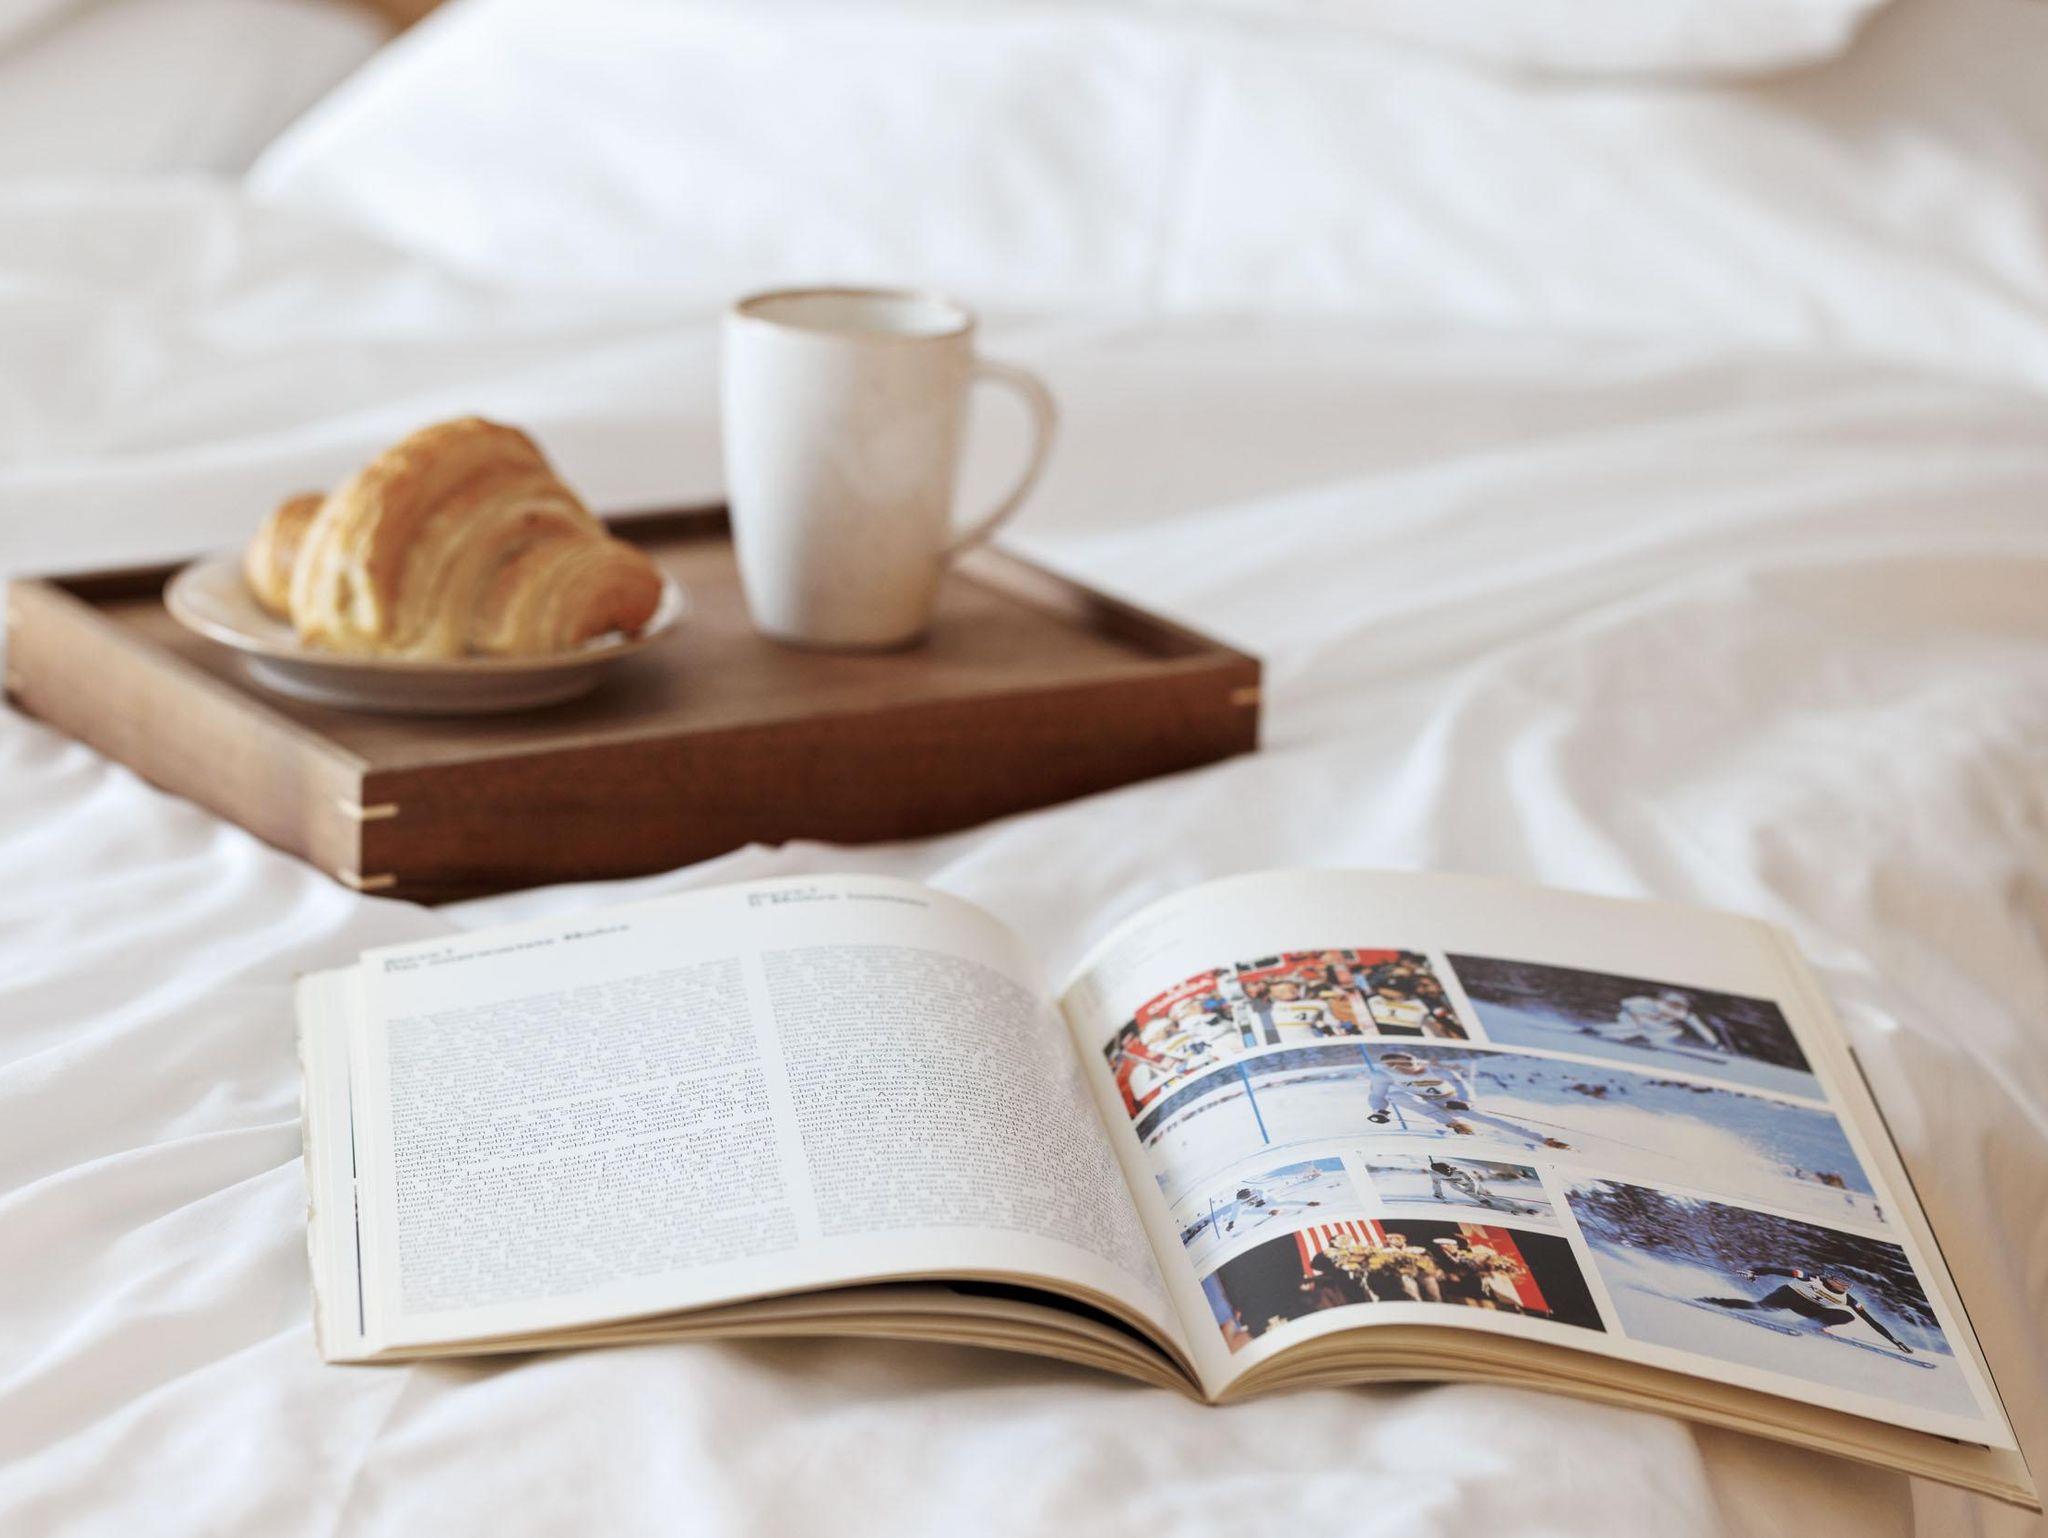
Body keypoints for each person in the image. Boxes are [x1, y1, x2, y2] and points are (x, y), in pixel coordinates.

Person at [1366, 1051, 1571, 1149]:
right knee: (1395, 1095)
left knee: (1487, 1119)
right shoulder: (1383, 1076)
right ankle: (1454, 1124)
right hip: (1428, 1105)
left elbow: (1463, 1085)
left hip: (1451, 1101)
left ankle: (1543, 1140)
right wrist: (1379, 1111)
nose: (1406, 1069)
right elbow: (1377, 1095)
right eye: (1397, 1067)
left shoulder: (1436, 1070)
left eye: (1409, 1064)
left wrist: (1466, 1102)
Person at [1700, 1266, 1913, 1352]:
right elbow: (1781, 1270)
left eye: (1848, 1284)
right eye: (1842, 1282)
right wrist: (1754, 1271)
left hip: (1810, 1309)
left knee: (1847, 1315)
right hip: (1788, 1296)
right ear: (1831, 1278)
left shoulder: (1848, 1299)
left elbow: (1871, 1321)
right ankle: (1711, 1301)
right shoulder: (1811, 1278)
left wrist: (1895, 1341)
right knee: (1760, 1308)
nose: (1845, 1286)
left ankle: (1810, 1325)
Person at [1600, 987, 1729, 1054]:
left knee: (1676, 1031)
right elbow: (1625, 1004)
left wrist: (1716, 1044)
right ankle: (1609, 1033)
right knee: (1632, 1026)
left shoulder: (1683, 1014)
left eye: (1677, 1006)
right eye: (1671, 1005)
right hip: (1633, 1019)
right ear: (1664, 1001)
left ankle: (1651, 1040)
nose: (1673, 1009)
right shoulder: (1645, 1002)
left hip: (1654, 1026)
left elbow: (1700, 1028)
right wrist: (1639, 1017)